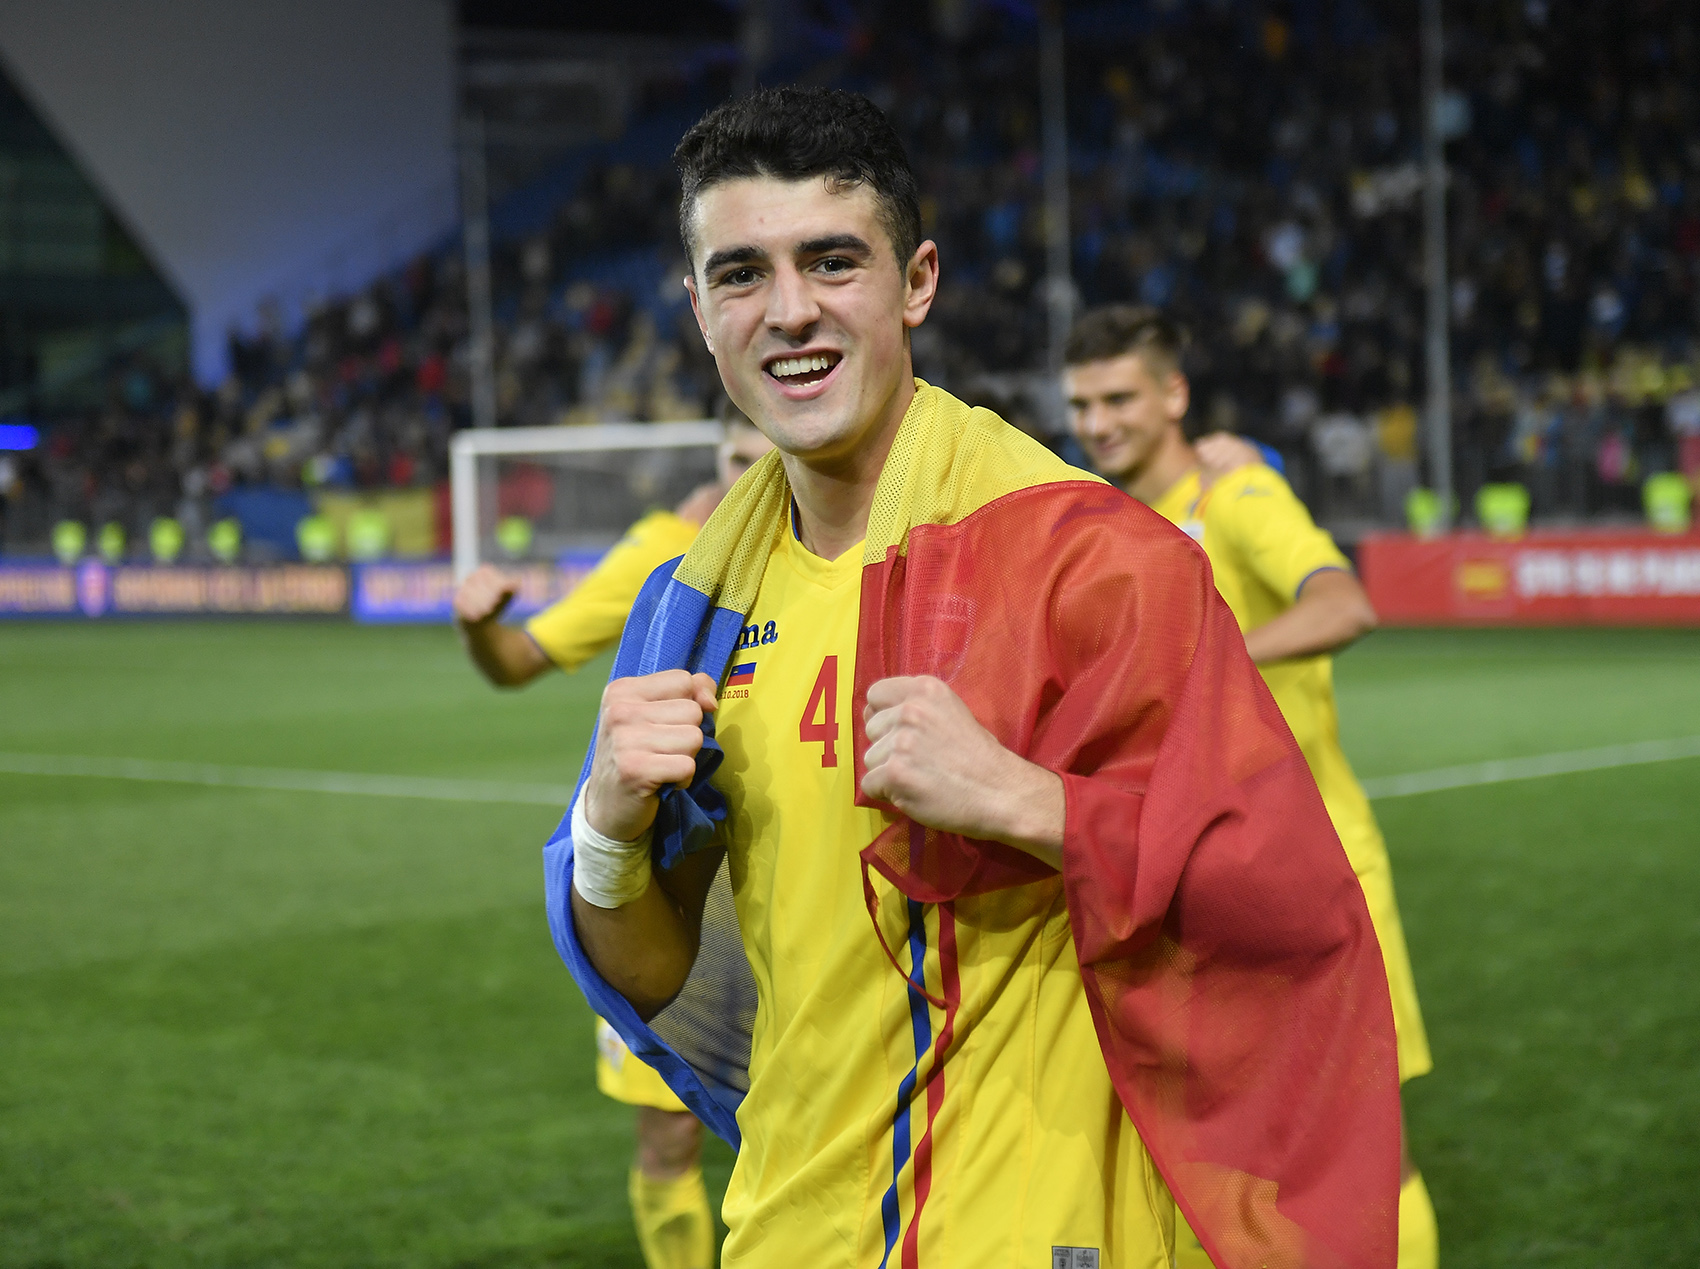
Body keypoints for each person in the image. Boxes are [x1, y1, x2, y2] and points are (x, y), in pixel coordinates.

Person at [546, 86, 1401, 1269]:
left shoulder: (1089, 559)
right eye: (740, 274)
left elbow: (1285, 903)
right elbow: (658, 972)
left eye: (832, 261)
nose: (788, 312)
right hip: (786, 1227)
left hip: (1026, 1230)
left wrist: (1029, 804)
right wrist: (607, 831)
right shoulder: (690, 603)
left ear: (917, 282)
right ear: (698, 309)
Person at [1062, 304, 1438, 1269]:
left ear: (1174, 394)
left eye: (1119, 398)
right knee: (1234, 1162)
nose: (1098, 422)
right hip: (1207, 883)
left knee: (1366, 1152)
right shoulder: (1114, 524)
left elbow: (1343, 603)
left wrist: (1213, 661)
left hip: (1324, 869)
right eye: (1082, 404)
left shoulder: (1239, 493)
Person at [452, 405, 772, 1269]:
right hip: (678, 901)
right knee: (670, 1136)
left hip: (809, 892)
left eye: (766, 453)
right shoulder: (666, 556)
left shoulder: (848, 545)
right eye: (736, 456)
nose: (751, 474)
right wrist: (478, 626)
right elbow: (516, 661)